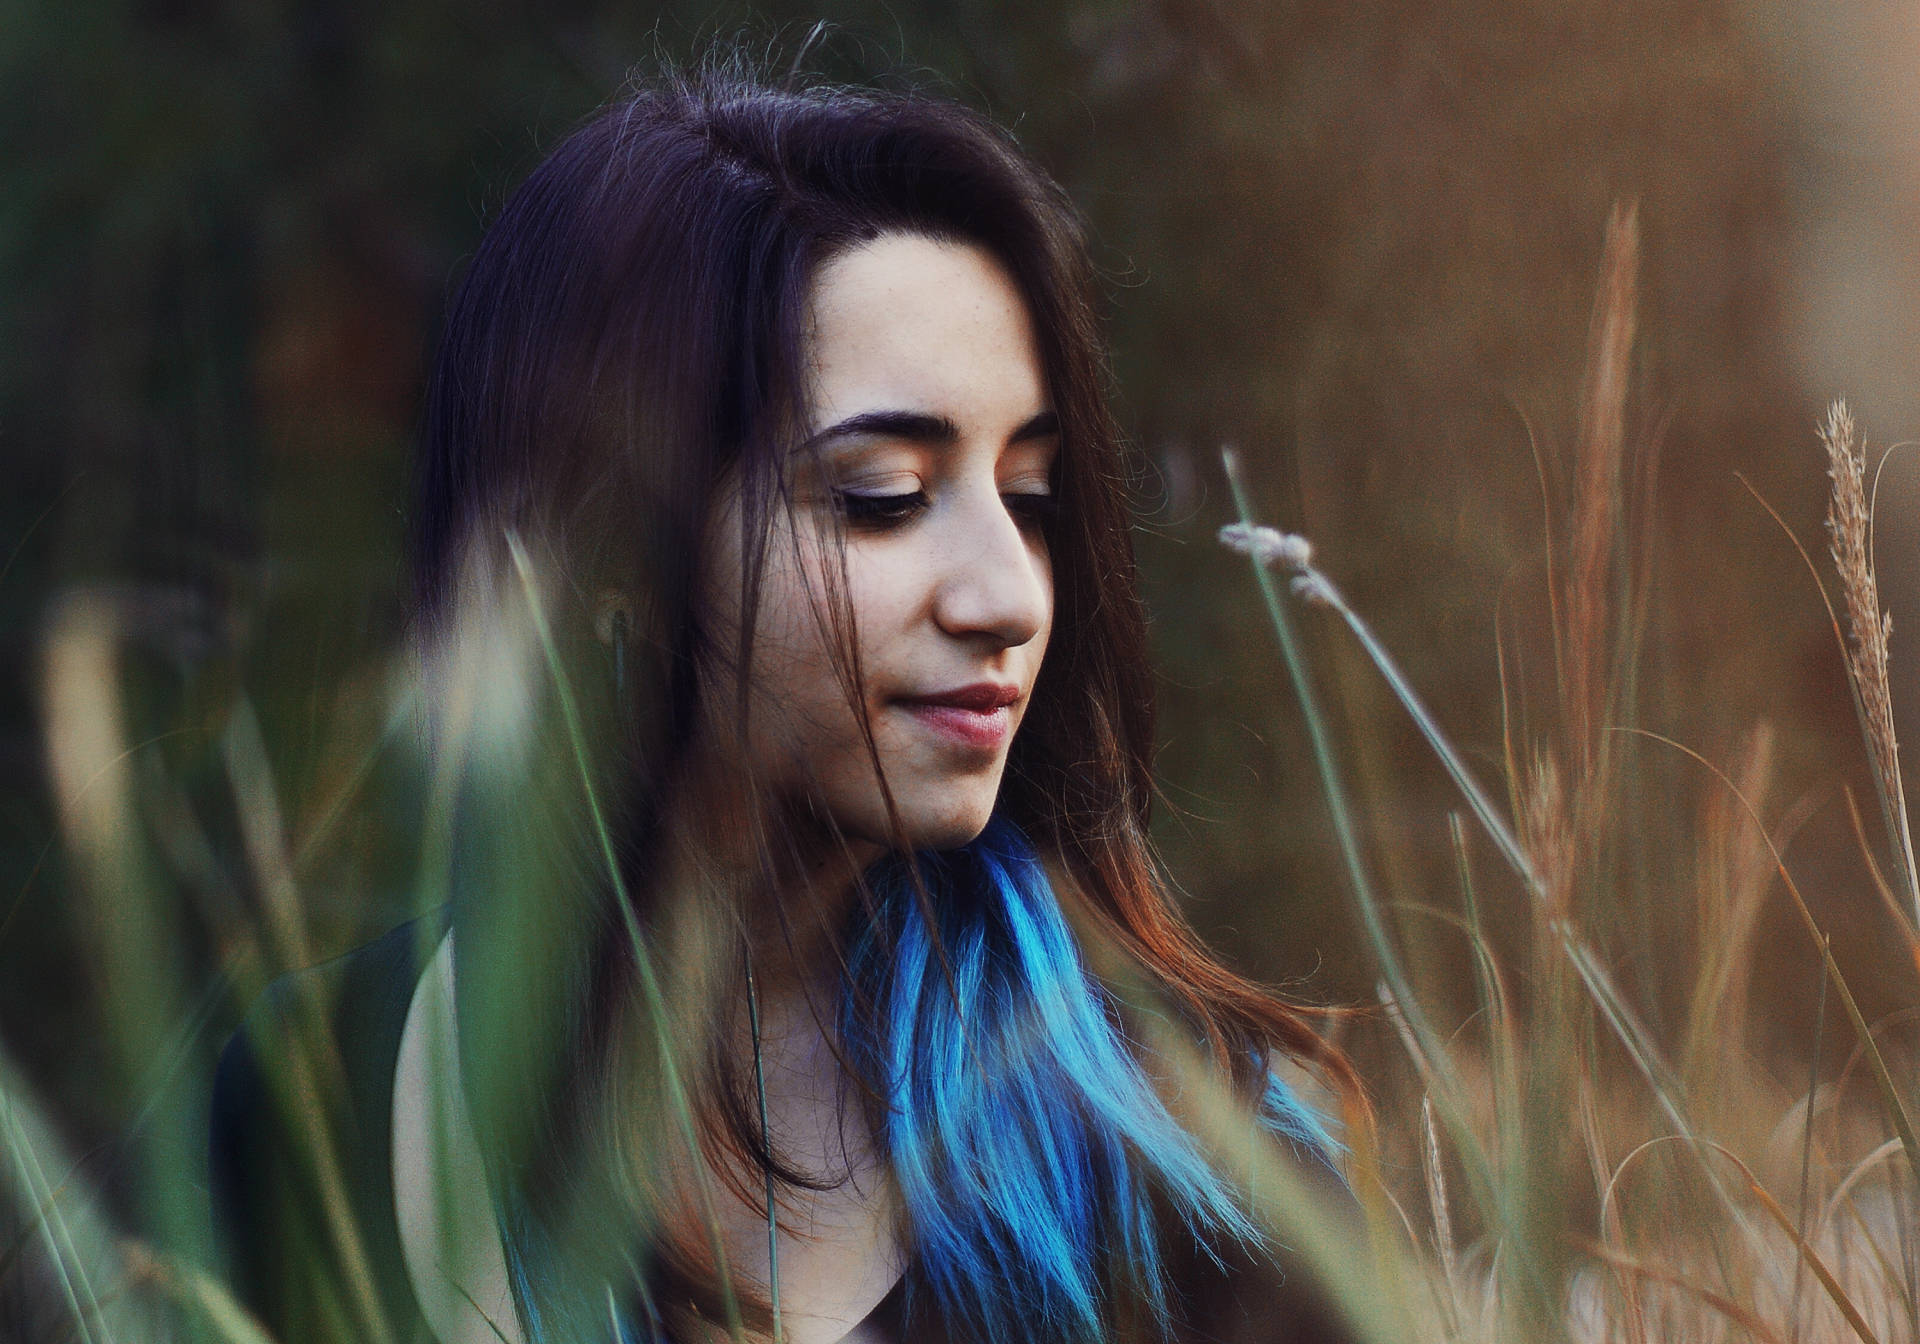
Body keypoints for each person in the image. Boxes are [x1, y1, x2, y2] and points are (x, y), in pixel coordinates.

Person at [210, 59, 1363, 1344]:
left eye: (1030, 499)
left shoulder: (1198, 1172)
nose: (1008, 595)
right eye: (881, 496)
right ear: (607, 557)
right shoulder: (316, 1101)